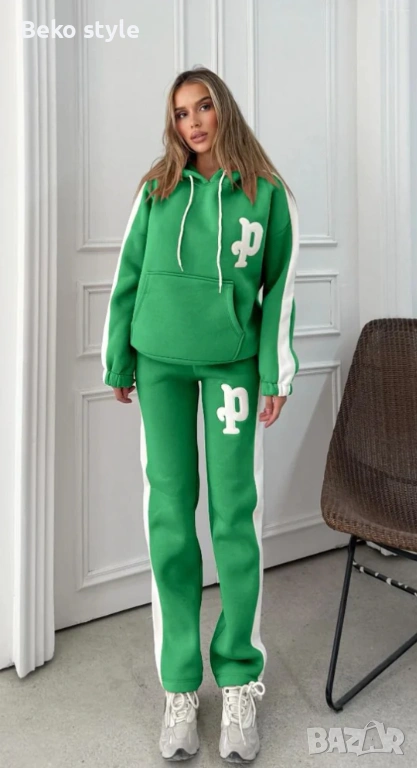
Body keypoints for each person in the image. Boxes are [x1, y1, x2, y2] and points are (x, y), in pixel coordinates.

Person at [101, 66, 300, 763]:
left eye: (204, 107)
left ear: (224, 110)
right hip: (158, 364)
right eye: (181, 112)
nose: (193, 122)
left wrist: (275, 370)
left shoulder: (266, 194)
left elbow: (279, 286)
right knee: (169, 516)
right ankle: (180, 687)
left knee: (233, 517)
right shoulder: (156, 190)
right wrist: (117, 359)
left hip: (231, 367)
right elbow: (127, 276)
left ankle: (239, 679)